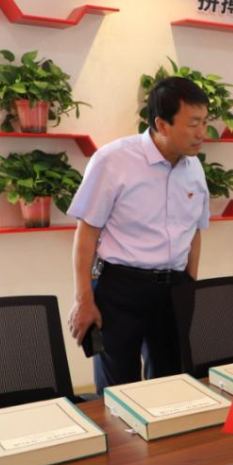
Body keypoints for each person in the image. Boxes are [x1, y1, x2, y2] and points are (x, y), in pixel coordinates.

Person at [66, 77, 210, 392]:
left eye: (205, 122)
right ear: (162, 124)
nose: (202, 132)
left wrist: (190, 285)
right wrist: (84, 300)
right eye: (193, 124)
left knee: (172, 386)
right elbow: (86, 234)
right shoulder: (113, 160)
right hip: (120, 289)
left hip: (173, 290)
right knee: (119, 392)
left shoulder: (194, 168)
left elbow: (195, 231)